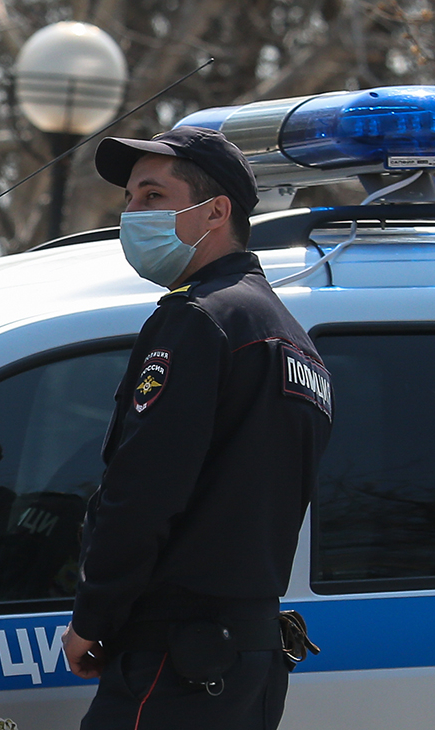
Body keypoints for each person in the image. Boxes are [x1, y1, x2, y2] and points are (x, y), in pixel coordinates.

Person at [61, 126, 333, 729]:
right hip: (247, 660)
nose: (132, 214)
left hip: (175, 661)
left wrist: (94, 616)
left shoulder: (200, 321)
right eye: (129, 199)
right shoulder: (293, 339)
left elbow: (146, 487)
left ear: (214, 212)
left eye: (153, 197)